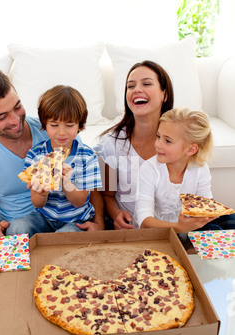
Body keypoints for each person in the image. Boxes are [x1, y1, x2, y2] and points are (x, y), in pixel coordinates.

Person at [0, 69, 104, 241]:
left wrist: (99, 224)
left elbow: (91, 190)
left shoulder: (56, 128)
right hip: (18, 226)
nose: (15, 120)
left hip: (71, 220)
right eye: (2, 116)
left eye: (17, 107)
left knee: (67, 239)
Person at [95, 60, 174, 229]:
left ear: (164, 95)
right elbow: (107, 196)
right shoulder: (110, 145)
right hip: (132, 232)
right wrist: (116, 214)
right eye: (130, 86)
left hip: (173, 230)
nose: (137, 89)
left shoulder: (180, 140)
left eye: (146, 83)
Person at [136, 107, 235, 232]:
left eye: (167, 141)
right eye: (158, 136)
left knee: (231, 220)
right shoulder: (149, 169)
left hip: (189, 224)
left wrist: (211, 213)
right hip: (161, 230)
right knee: (212, 229)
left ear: (191, 149)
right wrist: (179, 227)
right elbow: (144, 221)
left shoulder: (200, 168)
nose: (158, 144)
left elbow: (206, 205)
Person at [20, 85, 102, 233]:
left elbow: (80, 202)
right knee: (18, 228)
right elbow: (37, 204)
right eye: (54, 125)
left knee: (64, 236)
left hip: (76, 220)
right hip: (44, 217)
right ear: (45, 124)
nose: (61, 132)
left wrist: (66, 183)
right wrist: (41, 193)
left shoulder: (87, 156)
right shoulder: (36, 155)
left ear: (79, 125)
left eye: (69, 125)